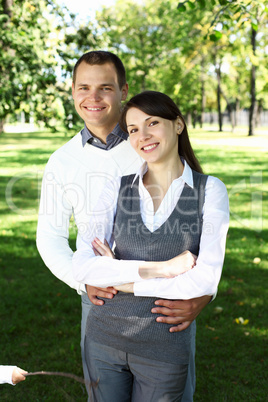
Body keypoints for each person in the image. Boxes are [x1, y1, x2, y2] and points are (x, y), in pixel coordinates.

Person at [36, 50, 213, 401]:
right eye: (84, 87)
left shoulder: (147, 143)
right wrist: (83, 280)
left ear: (123, 90)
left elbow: (199, 225)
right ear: (72, 91)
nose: (94, 97)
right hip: (99, 300)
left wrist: (204, 294)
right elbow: (50, 238)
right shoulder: (61, 161)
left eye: (105, 87)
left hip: (166, 301)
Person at [72, 91, 229, 401]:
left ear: (179, 125)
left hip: (163, 347)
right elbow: (83, 265)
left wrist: (117, 276)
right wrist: (165, 270)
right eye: (132, 129)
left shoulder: (210, 190)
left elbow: (204, 280)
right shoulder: (115, 187)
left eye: (152, 123)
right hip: (103, 338)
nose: (142, 136)